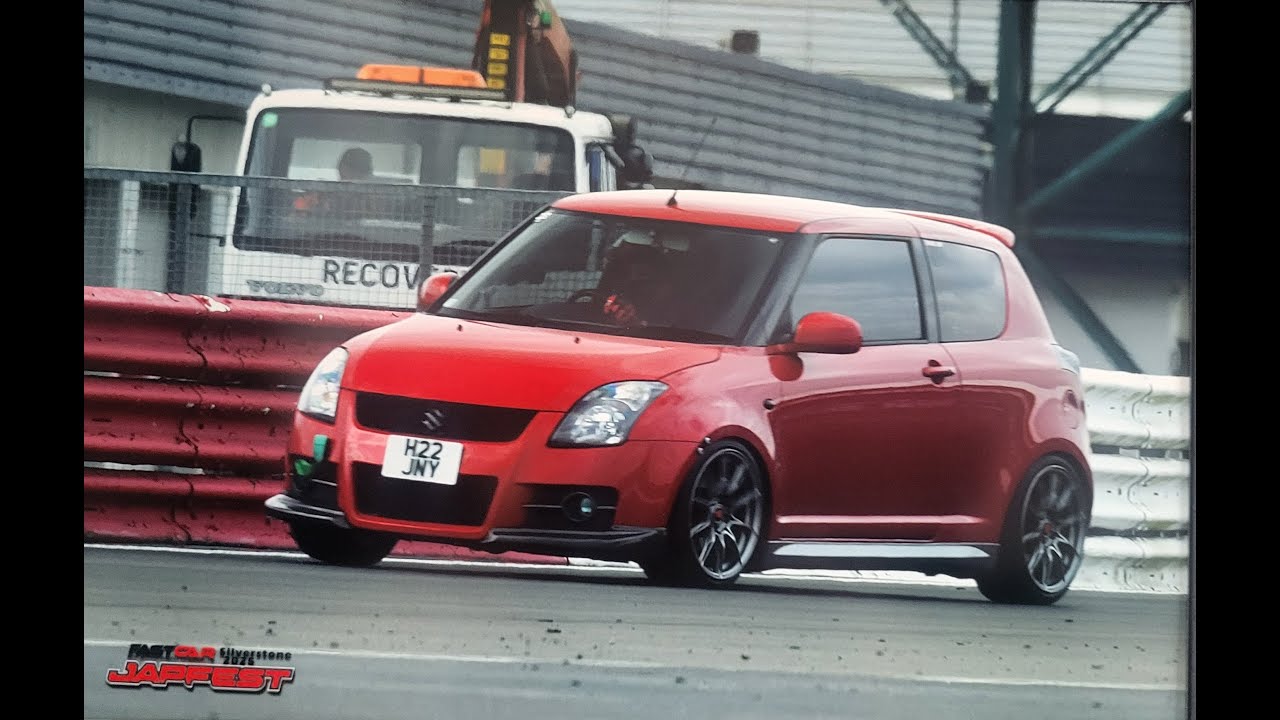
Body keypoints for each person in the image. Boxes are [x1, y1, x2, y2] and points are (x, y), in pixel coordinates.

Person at [596, 230, 686, 327]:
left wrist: (637, 320)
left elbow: (667, 326)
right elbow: (598, 307)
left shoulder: (668, 294)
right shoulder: (614, 277)